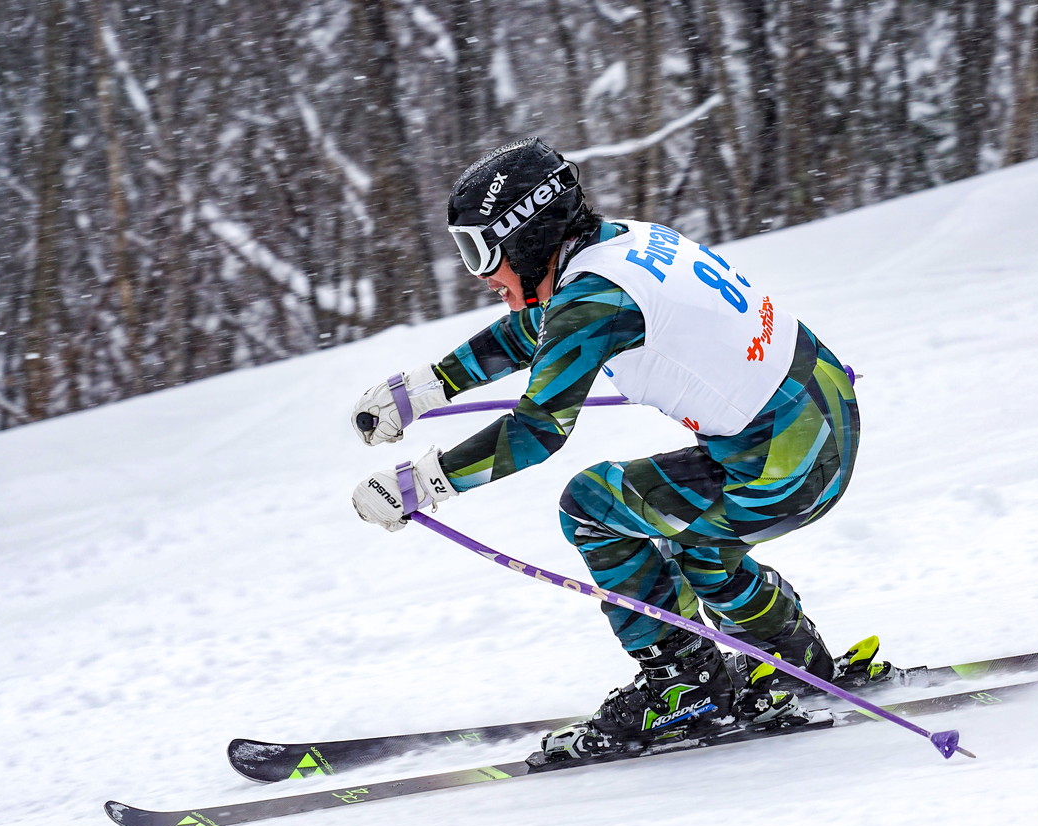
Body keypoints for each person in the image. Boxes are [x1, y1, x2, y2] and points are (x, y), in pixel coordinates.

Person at [350, 138, 887, 762]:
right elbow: (545, 327)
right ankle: (787, 661)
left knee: (607, 511)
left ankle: (687, 684)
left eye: (479, 251)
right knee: (682, 540)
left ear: (524, 234)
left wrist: (421, 484)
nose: (481, 276)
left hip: (787, 456)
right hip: (816, 414)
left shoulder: (593, 299)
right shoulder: (621, 244)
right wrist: (426, 387)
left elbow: (536, 431)